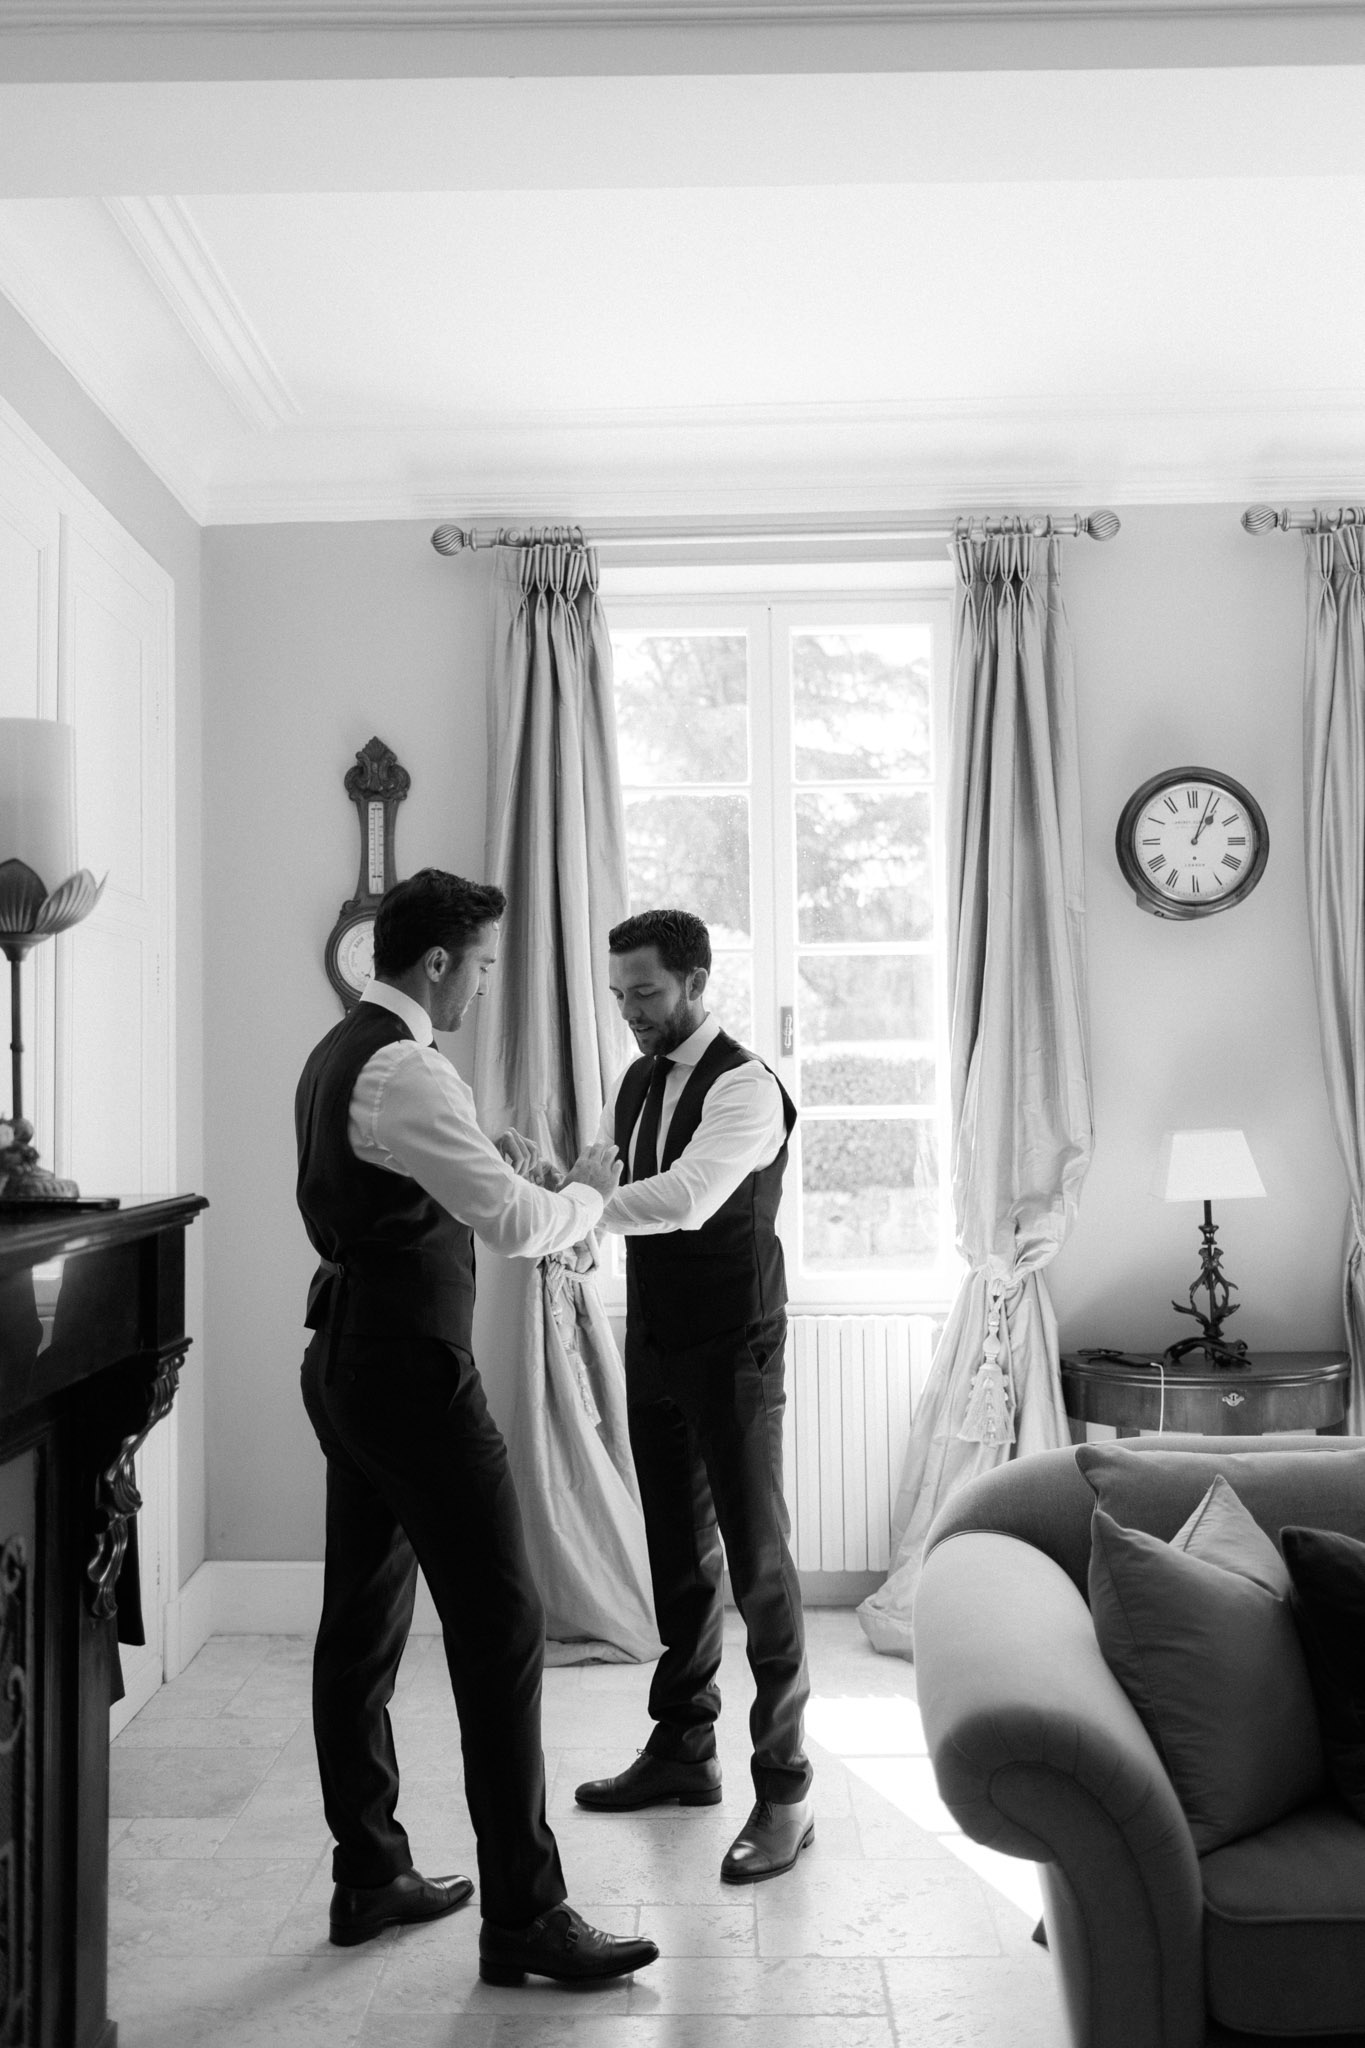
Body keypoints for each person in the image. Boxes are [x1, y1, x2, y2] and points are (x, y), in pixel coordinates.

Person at [295, 867, 659, 1985]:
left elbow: (422, 1177)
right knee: (502, 1628)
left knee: (359, 1621)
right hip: (410, 1375)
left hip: (346, 1360)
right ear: (441, 961)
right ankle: (528, 1915)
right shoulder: (406, 1067)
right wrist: (590, 1191)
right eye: (487, 964)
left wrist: (499, 1161)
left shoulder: (338, 1052)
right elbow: (509, 1223)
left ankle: (370, 1871)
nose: (488, 985)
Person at [574, 907, 813, 1883]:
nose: (631, 1010)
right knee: (676, 1551)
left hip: (737, 1347)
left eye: (648, 991)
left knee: (757, 1563)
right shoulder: (634, 1078)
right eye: (620, 991)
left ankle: (786, 1792)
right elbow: (601, 1177)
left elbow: (687, 1196)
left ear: (697, 981)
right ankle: (683, 1751)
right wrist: (566, 1193)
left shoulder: (749, 1086)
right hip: (657, 1339)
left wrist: (576, 1207)